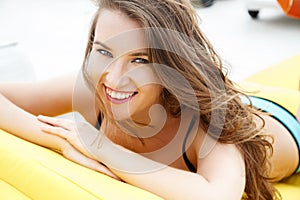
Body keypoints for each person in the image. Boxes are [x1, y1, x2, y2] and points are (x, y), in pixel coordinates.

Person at [0, 0, 299, 199]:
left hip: (282, 122)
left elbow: (216, 195)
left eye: (140, 60)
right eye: (104, 51)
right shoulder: (95, 84)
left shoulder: (208, 123)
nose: (114, 78)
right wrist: (61, 139)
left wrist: (100, 148)